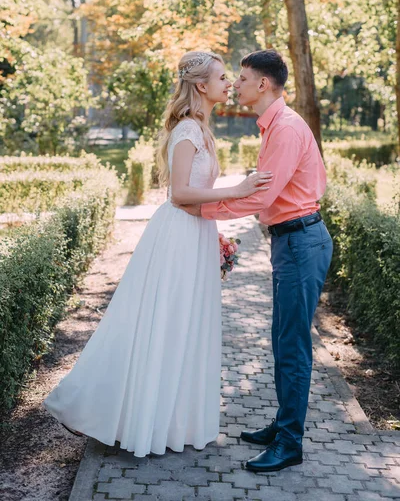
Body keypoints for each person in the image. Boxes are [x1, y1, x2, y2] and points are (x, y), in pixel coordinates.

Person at [43, 51, 272, 458]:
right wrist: (237, 190)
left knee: (182, 327)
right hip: (178, 237)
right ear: (202, 86)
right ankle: (113, 411)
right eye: (222, 78)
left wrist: (216, 231)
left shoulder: (202, 129)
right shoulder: (187, 130)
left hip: (197, 234)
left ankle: (167, 420)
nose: (229, 84)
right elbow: (180, 194)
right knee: (161, 324)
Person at [177, 49, 333, 472]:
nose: (235, 85)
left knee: (293, 347)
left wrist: (202, 212)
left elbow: (261, 198)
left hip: (301, 242)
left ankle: (290, 444)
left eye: (242, 78)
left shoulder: (284, 128)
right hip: (292, 241)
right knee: (283, 341)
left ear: (263, 84)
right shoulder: (275, 125)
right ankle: (283, 425)